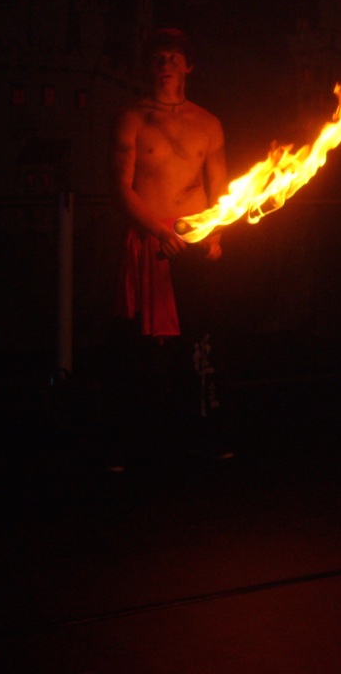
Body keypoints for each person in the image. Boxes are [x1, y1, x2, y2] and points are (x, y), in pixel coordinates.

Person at [107, 28, 229, 470]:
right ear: (149, 66)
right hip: (151, 245)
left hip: (193, 246)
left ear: (188, 66)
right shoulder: (132, 119)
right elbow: (121, 188)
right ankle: (133, 444)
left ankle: (201, 435)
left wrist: (215, 236)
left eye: (174, 58)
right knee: (140, 351)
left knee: (197, 348)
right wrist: (158, 234)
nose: (165, 65)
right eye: (158, 58)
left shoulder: (208, 123)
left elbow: (221, 189)